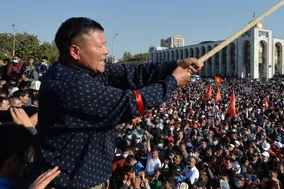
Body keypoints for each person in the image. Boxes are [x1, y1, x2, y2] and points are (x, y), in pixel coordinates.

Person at [27, 17, 202, 189]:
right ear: (75, 51)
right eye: (100, 46)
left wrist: (175, 64)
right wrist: (172, 82)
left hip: (90, 178)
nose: (106, 51)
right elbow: (131, 103)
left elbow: (133, 73)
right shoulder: (70, 85)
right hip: (72, 182)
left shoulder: (86, 69)